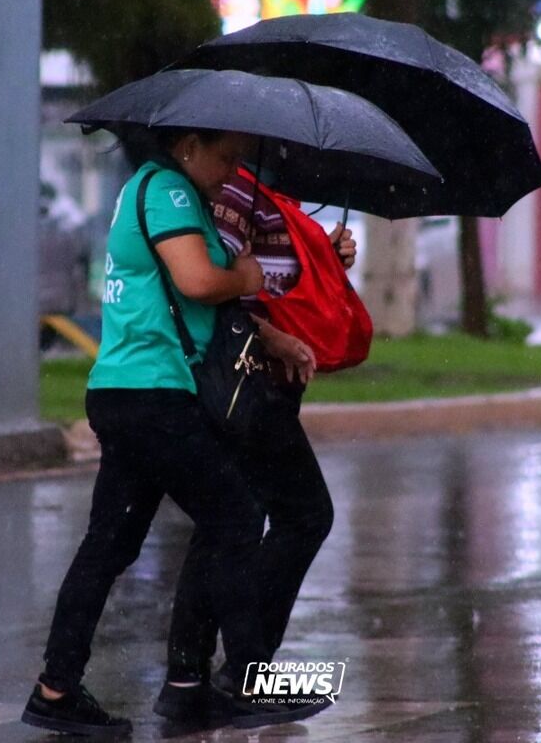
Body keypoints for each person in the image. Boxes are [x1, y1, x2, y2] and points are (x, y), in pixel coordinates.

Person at [22, 129, 329, 737]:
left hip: (125, 389)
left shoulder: (153, 189)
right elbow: (197, 282)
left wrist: (267, 329)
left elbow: (193, 303)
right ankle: (246, 680)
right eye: (225, 157)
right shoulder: (168, 190)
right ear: (189, 144)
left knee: (110, 544)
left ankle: (59, 688)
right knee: (236, 516)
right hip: (153, 394)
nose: (232, 170)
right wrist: (245, 277)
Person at [152, 163, 358, 721]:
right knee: (303, 515)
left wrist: (323, 257)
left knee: (226, 523)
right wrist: (275, 339)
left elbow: (269, 279)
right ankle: (246, 672)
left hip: (262, 386)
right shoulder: (239, 191)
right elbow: (215, 290)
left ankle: (189, 678)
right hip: (247, 383)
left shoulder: (269, 194)